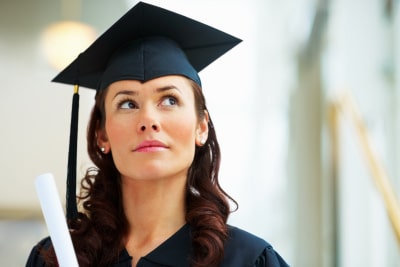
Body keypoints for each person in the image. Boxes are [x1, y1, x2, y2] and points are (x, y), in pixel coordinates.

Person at [26, 2, 289, 267]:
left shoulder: (248, 260)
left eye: (170, 100)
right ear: (102, 135)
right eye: (127, 104)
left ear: (202, 127)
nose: (148, 120)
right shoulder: (53, 258)